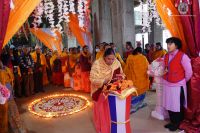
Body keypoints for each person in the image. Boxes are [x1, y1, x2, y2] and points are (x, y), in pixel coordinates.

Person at [90, 48, 124, 133]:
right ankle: (103, 129)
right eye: (108, 59)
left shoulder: (116, 62)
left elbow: (121, 74)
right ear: (104, 57)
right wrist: (103, 81)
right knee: (103, 112)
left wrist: (121, 77)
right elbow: (92, 78)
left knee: (113, 111)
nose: (111, 61)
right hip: (100, 90)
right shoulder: (97, 64)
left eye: (112, 59)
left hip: (113, 91)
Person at [162, 37, 192, 131]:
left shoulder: (183, 56)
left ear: (176, 45)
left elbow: (189, 72)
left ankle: (177, 123)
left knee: (177, 105)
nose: (168, 46)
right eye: (167, 44)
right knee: (169, 104)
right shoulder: (166, 55)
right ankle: (172, 122)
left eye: (170, 44)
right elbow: (164, 68)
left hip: (177, 85)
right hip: (167, 83)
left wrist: (182, 81)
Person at [124, 47, 150, 113]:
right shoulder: (143, 58)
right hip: (142, 79)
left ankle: (132, 106)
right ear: (140, 52)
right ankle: (139, 104)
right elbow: (147, 67)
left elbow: (126, 68)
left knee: (133, 92)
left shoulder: (130, 57)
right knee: (141, 92)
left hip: (132, 79)